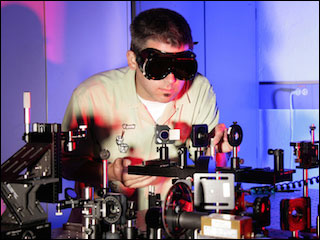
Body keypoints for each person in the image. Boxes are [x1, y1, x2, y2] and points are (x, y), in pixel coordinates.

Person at [62, 8, 233, 223]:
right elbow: (67, 166)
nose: (172, 80)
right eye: (159, 66)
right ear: (133, 60)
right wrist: (109, 172)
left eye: (182, 66)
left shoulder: (199, 89)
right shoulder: (92, 95)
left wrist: (220, 152)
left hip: (172, 220)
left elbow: (208, 164)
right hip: (105, 221)